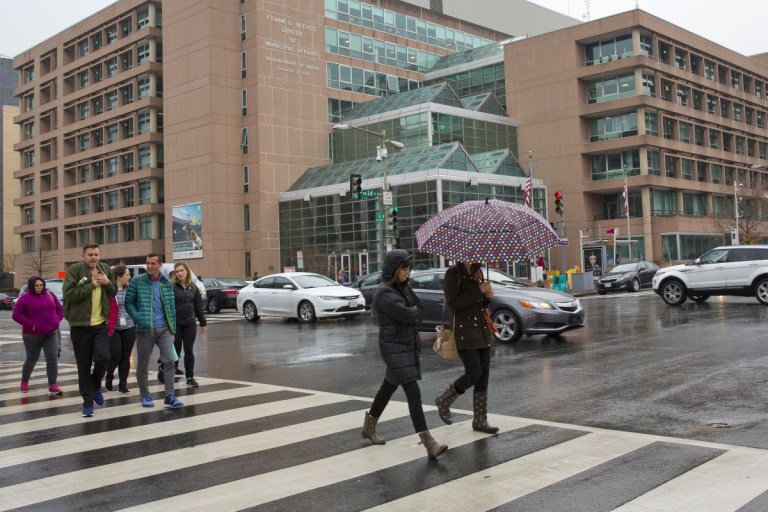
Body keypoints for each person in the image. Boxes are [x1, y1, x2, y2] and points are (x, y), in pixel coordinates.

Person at [363, 250, 447, 459]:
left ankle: (369, 427)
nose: (407, 272)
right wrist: (413, 311)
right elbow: (410, 314)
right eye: (403, 268)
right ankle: (429, 443)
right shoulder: (385, 293)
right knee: (413, 392)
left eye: (408, 268)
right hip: (393, 347)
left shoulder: (403, 288)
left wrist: (413, 310)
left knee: (387, 388)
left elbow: (419, 309)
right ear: (394, 269)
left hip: (405, 344)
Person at [435, 261, 499, 435]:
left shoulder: (478, 271)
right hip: (465, 331)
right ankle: (444, 400)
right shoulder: (453, 274)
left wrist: (487, 297)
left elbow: (480, 304)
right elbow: (454, 302)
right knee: (474, 374)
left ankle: (480, 420)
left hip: (482, 330)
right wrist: (479, 291)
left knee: (483, 376)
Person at [63, 244, 117, 418]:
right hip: (80, 325)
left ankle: (95, 385)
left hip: (100, 323)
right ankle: (87, 402)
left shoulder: (106, 270)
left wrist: (107, 283)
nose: (94, 258)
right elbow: (70, 294)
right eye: (90, 255)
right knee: (84, 364)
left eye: (96, 254)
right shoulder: (75, 270)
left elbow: (113, 291)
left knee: (104, 357)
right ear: (83, 256)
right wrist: (93, 284)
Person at [125, 253, 183, 409]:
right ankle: (145, 395)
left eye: (152, 263)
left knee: (170, 361)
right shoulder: (137, 281)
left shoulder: (166, 283)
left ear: (160, 265)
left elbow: (171, 308)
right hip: (145, 329)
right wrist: (139, 318)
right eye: (147, 263)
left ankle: (169, 396)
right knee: (143, 364)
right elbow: (128, 303)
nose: (149, 266)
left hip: (164, 328)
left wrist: (173, 330)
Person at [12, 276, 65, 397]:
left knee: (52, 358)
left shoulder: (50, 294)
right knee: (31, 359)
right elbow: (16, 315)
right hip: (32, 335)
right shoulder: (24, 299)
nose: (39, 287)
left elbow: (59, 308)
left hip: (51, 333)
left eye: (41, 285)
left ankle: (52, 386)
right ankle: (24, 382)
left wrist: (57, 320)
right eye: (36, 285)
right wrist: (31, 325)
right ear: (31, 286)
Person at [171, 261, 207, 388]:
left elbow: (198, 306)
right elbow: (168, 307)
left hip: (190, 323)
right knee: (175, 351)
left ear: (187, 271)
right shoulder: (172, 287)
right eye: (177, 271)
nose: (180, 273)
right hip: (176, 325)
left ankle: (190, 377)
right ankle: (167, 372)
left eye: (182, 270)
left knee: (189, 351)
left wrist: (203, 322)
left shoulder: (193, 288)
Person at [104, 265, 136, 394]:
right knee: (115, 355)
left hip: (129, 327)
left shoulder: (131, 289)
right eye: (127, 275)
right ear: (118, 277)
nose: (129, 277)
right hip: (113, 328)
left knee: (126, 356)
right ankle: (109, 375)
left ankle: (123, 383)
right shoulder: (109, 290)